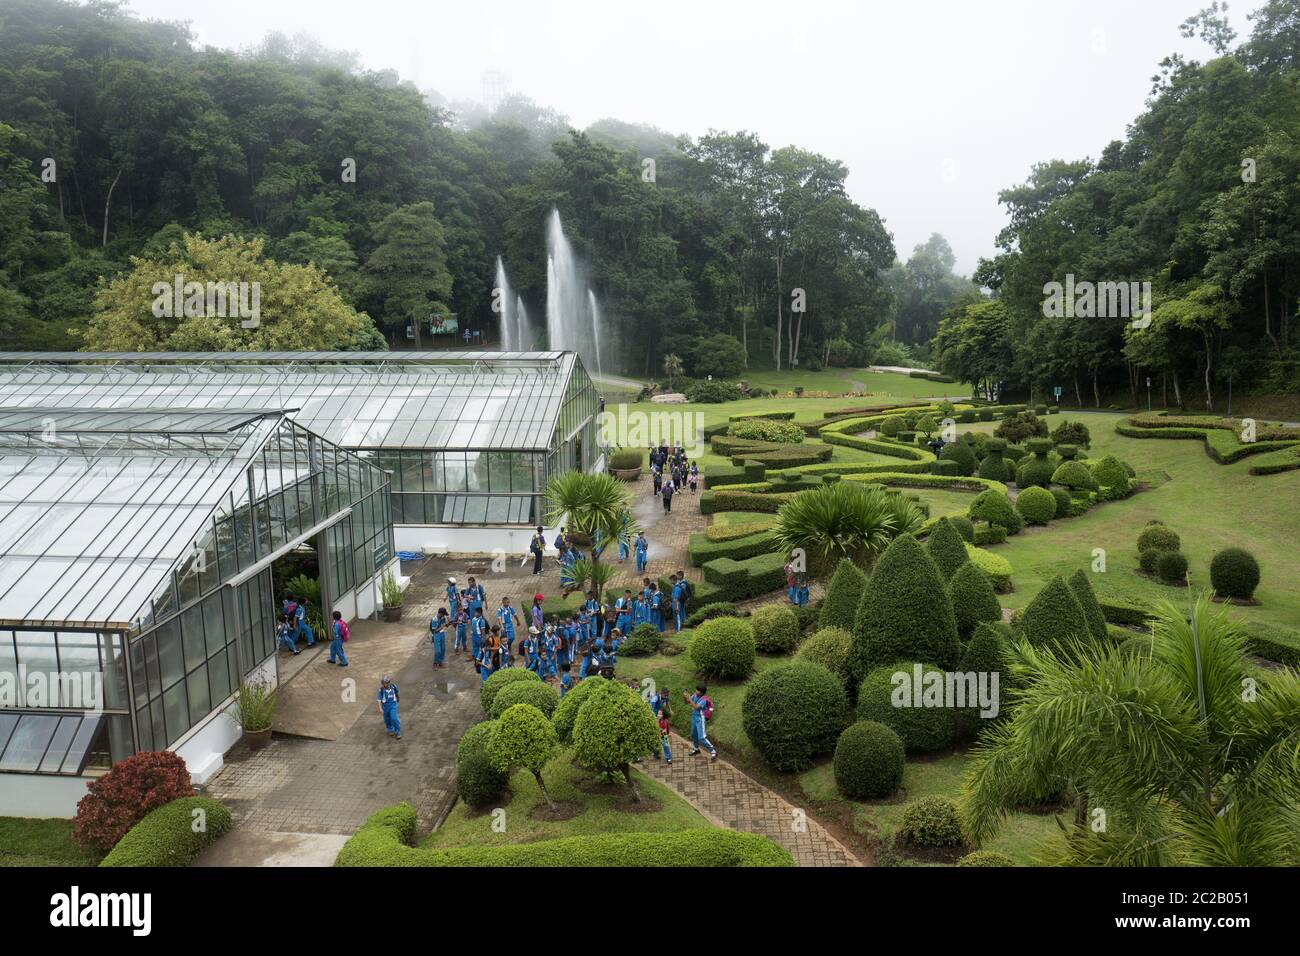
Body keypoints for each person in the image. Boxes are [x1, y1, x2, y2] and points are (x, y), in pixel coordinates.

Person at [684, 684, 718, 759]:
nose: (696, 691)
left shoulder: (704, 699)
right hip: (694, 717)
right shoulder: (695, 695)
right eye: (696, 690)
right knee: (693, 734)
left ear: (702, 692)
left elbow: (696, 707)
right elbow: (686, 702)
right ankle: (696, 749)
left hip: (700, 718)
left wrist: (689, 699)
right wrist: (685, 697)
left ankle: (713, 751)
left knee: (701, 737)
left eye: (698, 690)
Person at [497, 597, 517, 667]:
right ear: (503, 602)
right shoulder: (500, 610)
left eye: (508, 602)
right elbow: (499, 619)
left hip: (510, 625)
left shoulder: (510, 608)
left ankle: (509, 645)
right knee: (504, 638)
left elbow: (515, 614)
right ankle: (504, 649)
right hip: (504, 626)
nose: (507, 604)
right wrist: (501, 626)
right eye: (506, 602)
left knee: (512, 637)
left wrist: (518, 621)